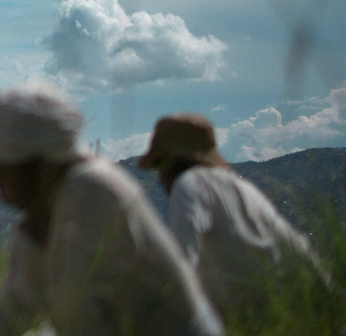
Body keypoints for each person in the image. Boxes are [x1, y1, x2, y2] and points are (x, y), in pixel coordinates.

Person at [0, 82, 227, 336]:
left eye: (0, 172)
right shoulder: (48, 205)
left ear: (36, 164)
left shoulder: (92, 192)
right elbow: (15, 306)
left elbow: (84, 334)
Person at [140, 112, 328, 318]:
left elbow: (182, 267)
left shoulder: (189, 186)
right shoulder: (242, 187)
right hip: (296, 308)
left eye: (159, 166)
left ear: (169, 163)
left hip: (257, 317)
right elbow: (300, 249)